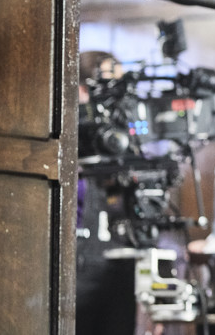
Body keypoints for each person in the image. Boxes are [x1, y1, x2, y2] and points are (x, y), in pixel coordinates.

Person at [76, 50, 138, 335]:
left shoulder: (120, 136)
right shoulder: (69, 132)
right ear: (81, 88)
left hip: (114, 264)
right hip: (76, 266)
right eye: (106, 87)